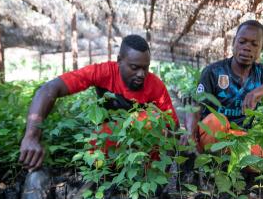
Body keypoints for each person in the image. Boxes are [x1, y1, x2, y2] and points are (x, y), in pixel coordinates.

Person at [19, 34, 178, 170]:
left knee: (154, 119)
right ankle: (103, 172)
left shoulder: (155, 86)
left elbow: (173, 126)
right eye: (135, 67)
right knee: (105, 133)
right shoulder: (103, 72)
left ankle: (146, 176)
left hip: (143, 152)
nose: (141, 74)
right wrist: (31, 136)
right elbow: (48, 89)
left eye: (146, 68)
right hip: (108, 144)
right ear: (119, 61)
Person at [184, 20, 263, 152]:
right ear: (233, 43)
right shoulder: (213, 72)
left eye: (254, 44)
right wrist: (190, 133)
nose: (247, 47)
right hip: (212, 136)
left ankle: (239, 159)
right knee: (217, 121)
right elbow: (195, 106)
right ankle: (216, 162)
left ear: (261, 48)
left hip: (241, 138)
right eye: (242, 42)